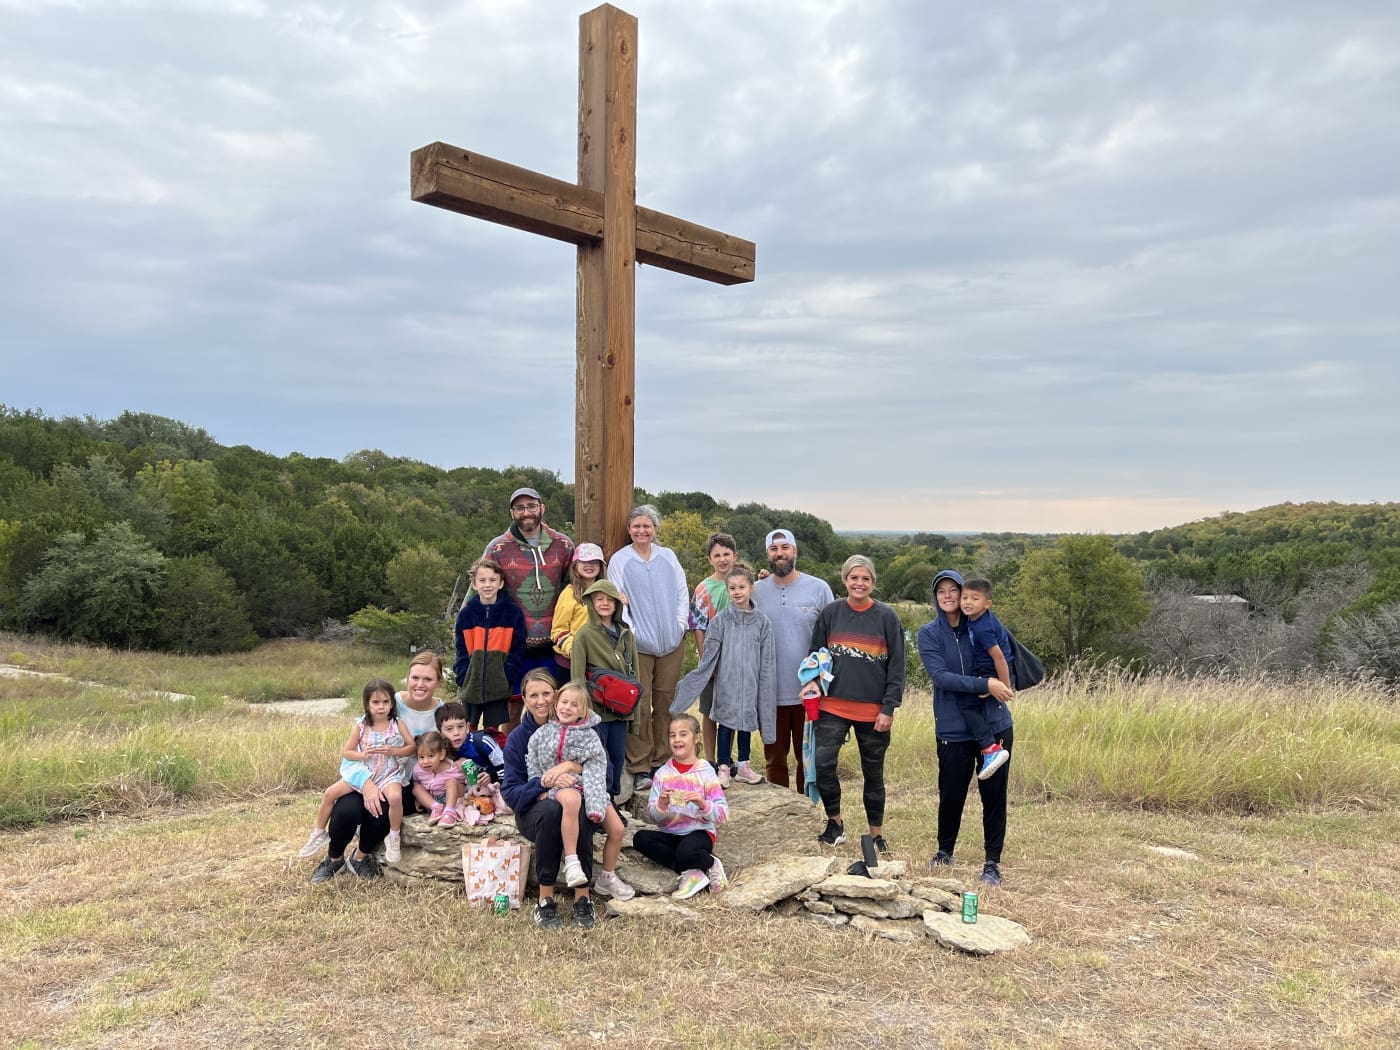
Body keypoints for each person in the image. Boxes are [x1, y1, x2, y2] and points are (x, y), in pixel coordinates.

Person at [503, 669, 632, 930]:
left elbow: (603, 772)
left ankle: (582, 898)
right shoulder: (520, 738)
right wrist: (543, 782)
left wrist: (573, 766)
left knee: (579, 806)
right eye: (533, 695)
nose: (540, 701)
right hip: (535, 811)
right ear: (525, 701)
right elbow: (511, 793)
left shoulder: (583, 730)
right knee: (552, 810)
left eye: (546, 694)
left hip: (578, 798)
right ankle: (545, 900)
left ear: (557, 696)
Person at [308, 652, 447, 882]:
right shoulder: (391, 702)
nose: (420, 685)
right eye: (415, 677)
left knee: (383, 811)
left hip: (408, 781)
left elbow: (450, 747)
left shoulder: (441, 712)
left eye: (428, 679)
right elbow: (360, 745)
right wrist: (366, 782)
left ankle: (360, 857)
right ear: (407, 677)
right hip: (368, 772)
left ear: (439, 682)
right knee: (347, 810)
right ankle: (333, 859)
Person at [916, 569, 1016, 887]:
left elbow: (1007, 657)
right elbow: (941, 677)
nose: (947, 596)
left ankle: (992, 863)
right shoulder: (929, 633)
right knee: (951, 794)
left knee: (994, 796)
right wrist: (985, 683)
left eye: (953, 590)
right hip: (952, 727)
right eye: (941, 591)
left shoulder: (984, 626)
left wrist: (1003, 681)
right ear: (935, 597)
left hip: (995, 723)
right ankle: (945, 851)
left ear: (965, 594)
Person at [808, 555, 905, 853]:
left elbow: (897, 666)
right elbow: (815, 655)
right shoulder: (830, 613)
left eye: (865, 579)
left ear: (873, 583)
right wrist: (811, 682)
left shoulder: (887, 617)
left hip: (873, 711)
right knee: (823, 765)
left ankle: (876, 835)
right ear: (845, 580)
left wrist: (889, 707)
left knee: (873, 773)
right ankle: (834, 823)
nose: (859, 583)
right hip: (832, 705)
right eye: (854, 578)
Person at [606, 505, 688, 792]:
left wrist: (680, 625)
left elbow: (681, 592)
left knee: (666, 702)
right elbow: (617, 598)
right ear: (629, 530)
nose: (642, 530)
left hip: (672, 643)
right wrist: (633, 633)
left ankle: (663, 760)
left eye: (647, 526)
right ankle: (640, 766)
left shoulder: (668, 557)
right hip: (638, 645)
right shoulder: (620, 560)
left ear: (655, 529)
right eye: (636, 526)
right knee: (640, 703)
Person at [672, 563, 776, 787]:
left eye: (741, 587)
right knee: (725, 725)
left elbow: (767, 661)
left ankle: (744, 766)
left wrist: (764, 687)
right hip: (726, 684)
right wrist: (696, 679)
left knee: (746, 725)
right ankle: (723, 767)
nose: (737, 592)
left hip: (751, 684)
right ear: (727, 590)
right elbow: (709, 654)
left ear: (751, 588)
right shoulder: (720, 620)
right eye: (732, 588)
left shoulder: (762, 623)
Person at [525, 681, 633, 895]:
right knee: (572, 800)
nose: (567, 708)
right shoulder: (543, 734)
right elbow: (534, 767)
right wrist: (545, 784)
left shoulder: (590, 736)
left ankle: (607, 877)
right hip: (559, 786)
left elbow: (598, 765)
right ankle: (572, 861)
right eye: (564, 702)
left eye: (574, 705)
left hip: (588, 786)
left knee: (617, 828)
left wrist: (595, 798)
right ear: (556, 704)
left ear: (583, 711)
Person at [301, 678, 415, 867]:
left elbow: (411, 748)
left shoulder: (396, 724)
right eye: (376, 702)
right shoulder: (361, 725)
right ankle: (319, 832)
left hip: (388, 773)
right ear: (367, 704)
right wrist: (361, 755)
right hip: (365, 772)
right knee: (330, 793)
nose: (381, 707)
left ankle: (393, 837)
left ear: (392, 704)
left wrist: (394, 751)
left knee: (395, 798)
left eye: (386, 702)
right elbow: (347, 751)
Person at [753, 528, 834, 792]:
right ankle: (780, 817)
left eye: (785, 548)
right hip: (769, 692)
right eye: (774, 549)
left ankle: (805, 815)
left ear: (795, 551)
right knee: (774, 761)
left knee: (807, 760)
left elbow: (831, 642)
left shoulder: (819, 588)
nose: (780, 554)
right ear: (767, 554)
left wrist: (822, 684)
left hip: (808, 692)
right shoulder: (755, 591)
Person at [482, 486, 575, 709]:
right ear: (512, 512)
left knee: (553, 705)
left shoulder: (563, 545)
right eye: (520, 508)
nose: (526, 512)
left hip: (554, 644)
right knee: (512, 708)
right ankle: (512, 745)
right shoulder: (498, 548)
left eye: (531, 506)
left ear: (542, 508)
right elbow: (480, 590)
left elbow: (576, 586)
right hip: (513, 642)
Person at [633, 714, 730, 899]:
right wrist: (661, 805)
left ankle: (711, 863)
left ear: (696, 738)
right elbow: (653, 816)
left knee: (685, 851)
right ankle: (693, 872)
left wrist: (703, 804)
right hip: (671, 834)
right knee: (640, 839)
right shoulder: (662, 774)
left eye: (683, 734)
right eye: (672, 735)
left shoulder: (706, 772)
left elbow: (723, 814)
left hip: (700, 832)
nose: (677, 739)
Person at [569, 578, 637, 801]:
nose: (605, 604)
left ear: (617, 604)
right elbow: (577, 678)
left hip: (620, 710)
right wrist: (581, 714)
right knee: (598, 758)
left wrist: (634, 717)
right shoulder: (584, 635)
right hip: (595, 711)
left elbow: (634, 676)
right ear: (591, 603)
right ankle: (597, 801)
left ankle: (612, 800)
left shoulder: (626, 634)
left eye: (610, 600)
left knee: (617, 756)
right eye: (599, 599)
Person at [453, 557, 527, 734]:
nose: (488, 585)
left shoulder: (512, 613)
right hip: (471, 684)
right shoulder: (466, 614)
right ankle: (468, 761)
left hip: (498, 686)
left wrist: (507, 675)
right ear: (475, 584)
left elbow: (518, 648)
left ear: (501, 584)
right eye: (482, 580)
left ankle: (492, 761)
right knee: (467, 730)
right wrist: (463, 674)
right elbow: (460, 649)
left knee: (492, 732)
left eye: (493, 580)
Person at [688, 532, 737, 767]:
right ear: (709, 559)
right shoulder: (704, 588)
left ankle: (726, 758)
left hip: (737, 658)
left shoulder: (742, 584)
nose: (722, 559)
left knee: (732, 708)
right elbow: (698, 625)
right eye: (717, 555)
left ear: (735, 556)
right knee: (709, 709)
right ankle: (709, 758)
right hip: (712, 657)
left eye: (727, 554)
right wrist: (706, 659)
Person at [959, 577, 1014, 780]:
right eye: (964, 597)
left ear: (987, 604)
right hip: (986, 669)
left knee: (967, 704)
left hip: (990, 670)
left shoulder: (982, 627)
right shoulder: (979, 619)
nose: (967, 602)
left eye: (975, 598)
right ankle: (990, 747)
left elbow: (999, 657)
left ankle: (991, 748)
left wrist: (1004, 686)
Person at [550, 542, 608, 678]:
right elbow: (558, 629)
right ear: (575, 566)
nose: (590, 565)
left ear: (601, 566)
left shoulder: (606, 592)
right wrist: (573, 649)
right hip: (571, 662)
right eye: (584, 561)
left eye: (594, 561)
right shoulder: (569, 593)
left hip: (599, 661)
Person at [409, 731, 466, 827]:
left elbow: (465, 783)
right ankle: (437, 808)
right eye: (421, 757)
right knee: (416, 788)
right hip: (433, 802)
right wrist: (420, 799)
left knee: (451, 782)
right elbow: (417, 782)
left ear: (441, 754)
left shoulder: (452, 768)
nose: (425, 761)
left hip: (453, 801)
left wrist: (464, 763)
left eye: (431, 756)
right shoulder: (418, 770)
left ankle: (449, 812)